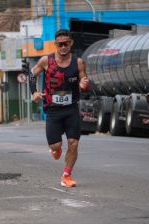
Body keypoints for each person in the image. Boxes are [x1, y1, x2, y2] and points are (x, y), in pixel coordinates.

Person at [29, 29, 89, 188]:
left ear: (71, 43)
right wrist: (34, 92)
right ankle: (56, 150)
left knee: (74, 143)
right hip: (53, 110)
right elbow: (32, 74)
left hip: (71, 109)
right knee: (55, 146)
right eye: (60, 44)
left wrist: (84, 83)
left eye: (66, 44)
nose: (63, 47)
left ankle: (67, 175)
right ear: (55, 45)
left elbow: (84, 79)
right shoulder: (46, 61)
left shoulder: (78, 62)